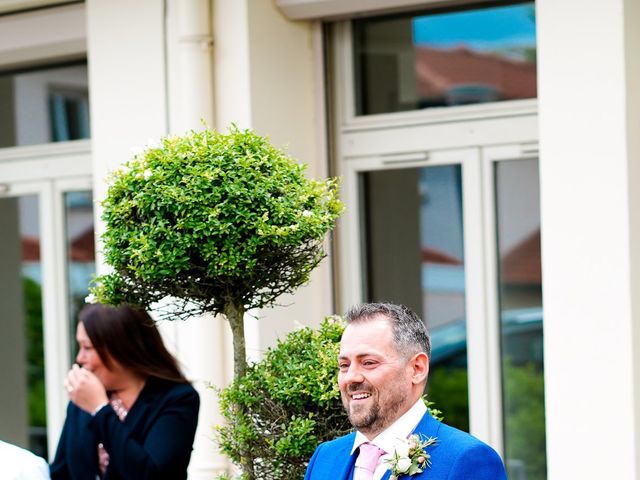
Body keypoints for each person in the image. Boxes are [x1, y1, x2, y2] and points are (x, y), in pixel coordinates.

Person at [304, 303, 507, 480]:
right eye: (344, 365)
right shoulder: (325, 458)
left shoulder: (466, 459)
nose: (351, 377)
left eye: (368, 363)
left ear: (417, 369)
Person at [50, 303, 200, 480]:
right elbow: (60, 473)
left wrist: (100, 409)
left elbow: (153, 476)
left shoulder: (177, 399)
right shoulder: (83, 400)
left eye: (87, 347)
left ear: (120, 347)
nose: (80, 358)